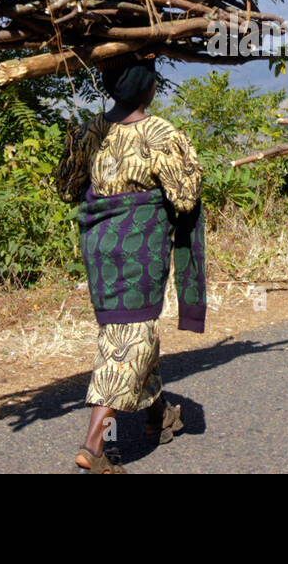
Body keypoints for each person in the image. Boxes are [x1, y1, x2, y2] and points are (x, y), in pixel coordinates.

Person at [54, 54, 206, 473]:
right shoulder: (160, 133)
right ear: (148, 88)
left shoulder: (90, 131)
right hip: (139, 249)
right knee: (126, 340)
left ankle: (158, 416)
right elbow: (185, 197)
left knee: (130, 327)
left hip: (100, 249)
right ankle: (94, 447)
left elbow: (67, 187)